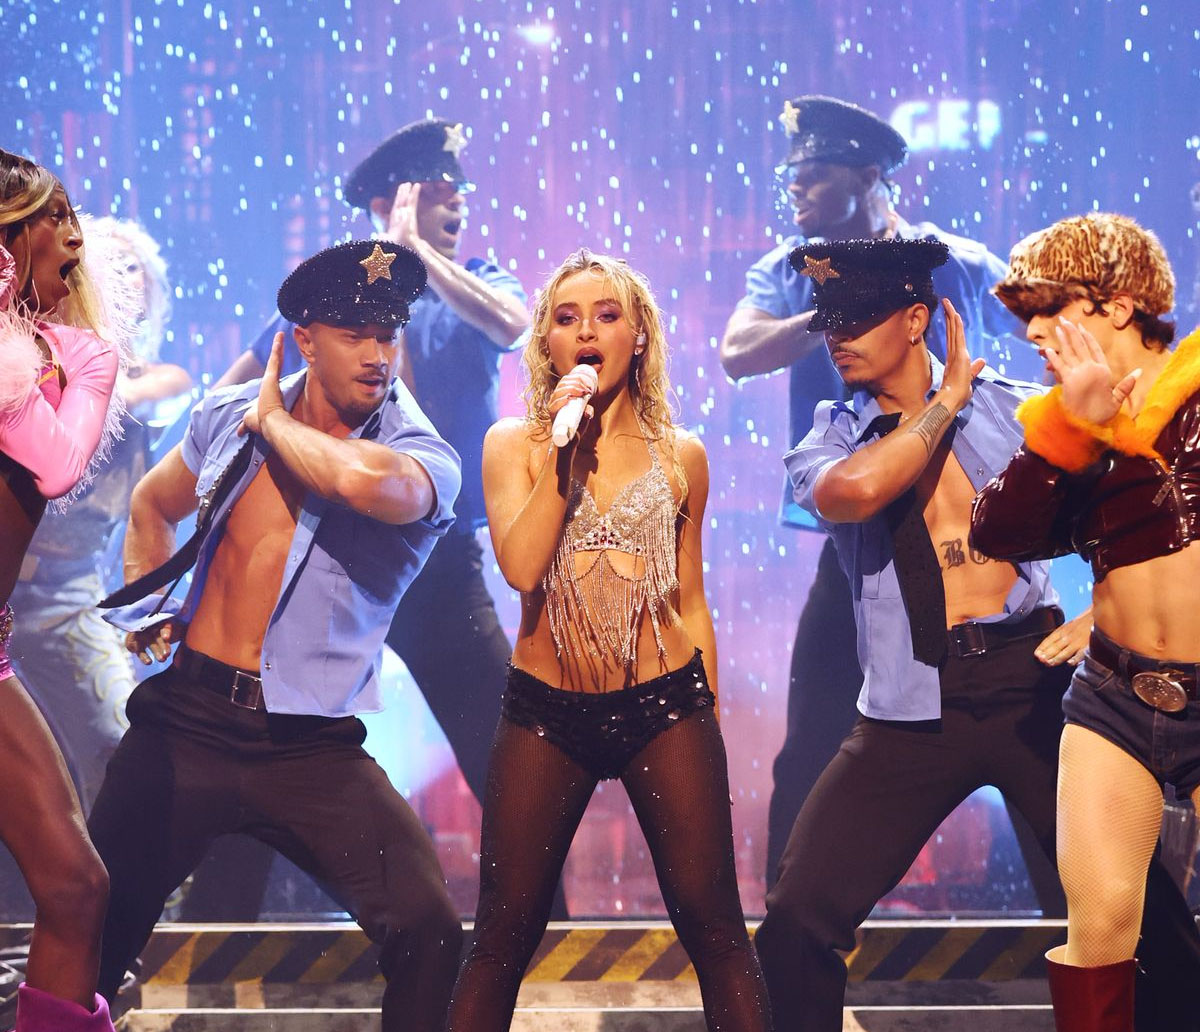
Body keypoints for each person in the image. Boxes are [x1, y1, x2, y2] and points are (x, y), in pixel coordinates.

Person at [752, 236, 1200, 1032]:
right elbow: (855, 492)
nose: (838, 337)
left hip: (1036, 686)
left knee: (1146, 922)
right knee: (795, 917)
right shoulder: (831, 434)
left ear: (916, 318)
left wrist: (1103, 615)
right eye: (829, 322)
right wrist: (944, 402)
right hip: (911, 707)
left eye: (858, 319)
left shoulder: (1016, 407)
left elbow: (1135, 519)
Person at [87, 240, 464, 1032]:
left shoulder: (420, 451)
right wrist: (154, 607)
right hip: (188, 721)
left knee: (427, 926)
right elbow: (152, 504)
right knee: (89, 919)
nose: (377, 354)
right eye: (355, 334)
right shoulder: (228, 417)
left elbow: (356, 481)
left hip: (308, 745)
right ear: (304, 340)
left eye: (388, 335)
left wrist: (273, 422)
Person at [718, 95, 1038, 892]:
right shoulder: (799, 268)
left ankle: (1088, 929)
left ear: (867, 177)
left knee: (1045, 750)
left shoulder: (955, 261)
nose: (794, 188)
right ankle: (791, 919)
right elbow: (737, 351)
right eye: (790, 175)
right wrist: (838, 304)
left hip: (980, 534)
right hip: (863, 542)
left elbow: (1045, 320)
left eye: (812, 173)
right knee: (814, 736)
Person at [446, 250, 771, 1032]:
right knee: (500, 937)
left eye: (606, 314)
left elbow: (690, 599)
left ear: (638, 336)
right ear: (547, 344)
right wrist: (564, 454)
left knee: (718, 930)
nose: (587, 330)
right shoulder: (513, 444)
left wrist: (708, 720)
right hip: (545, 713)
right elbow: (522, 569)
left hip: (666, 707)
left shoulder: (681, 454)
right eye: (566, 318)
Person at [215, 119, 529, 879]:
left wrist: (418, 259)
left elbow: (514, 326)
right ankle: (223, 921)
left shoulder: (477, 278)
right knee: (259, 742)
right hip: (325, 557)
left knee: (508, 754)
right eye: (441, 190)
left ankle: (533, 924)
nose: (460, 203)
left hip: (439, 564)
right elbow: (229, 399)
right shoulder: (328, 303)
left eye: (460, 190)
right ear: (392, 200)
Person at [972, 213, 1200, 1031]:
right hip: (1114, 698)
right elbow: (999, 534)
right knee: (1099, 928)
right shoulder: (1067, 426)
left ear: (1120, 306)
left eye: (1051, 307)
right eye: (1025, 315)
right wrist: (1070, 432)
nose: (1033, 331)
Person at [0, 149, 125, 1032]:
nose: (75, 234)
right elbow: (52, 464)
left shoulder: (56, 355)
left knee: (77, 886)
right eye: (55, 214)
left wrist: (76, 363)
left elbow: (53, 465)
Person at [8, 217, 191, 813]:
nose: (119, 275)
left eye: (132, 266)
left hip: (67, 597)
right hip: (12, 586)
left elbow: (164, 391)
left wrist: (95, 377)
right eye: (101, 262)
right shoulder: (26, 356)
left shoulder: (153, 380)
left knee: (116, 748)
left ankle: (114, 867)